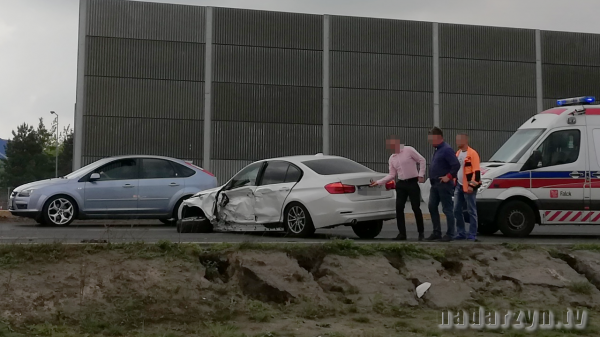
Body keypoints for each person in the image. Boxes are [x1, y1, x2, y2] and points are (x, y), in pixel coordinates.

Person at [370, 135, 426, 241]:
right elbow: (391, 174)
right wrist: (378, 182)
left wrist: (421, 174)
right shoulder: (392, 158)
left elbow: (422, 160)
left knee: (415, 207)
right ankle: (402, 233)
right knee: (399, 208)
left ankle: (421, 233)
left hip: (412, 182)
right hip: (401, 184)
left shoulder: (408, 150)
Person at [425, 127, 460, 242]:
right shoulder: (437, 150)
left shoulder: (446, 149)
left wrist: (448, 177)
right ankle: (437, 232)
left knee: (447, 209)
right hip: (435, 184)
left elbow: (456, 165)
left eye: (431, 139)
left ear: (438, 137)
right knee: (432, 206)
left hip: (443, 184)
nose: (430, 142)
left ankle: (450, 233)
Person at [454, 133, 481, 241]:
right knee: (456, 210)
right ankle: (461, 232)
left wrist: (472, 185)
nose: (457, 142)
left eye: (459, 140)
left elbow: (477, 172)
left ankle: (472, 234)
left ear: (465, 140)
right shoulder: (458, 153)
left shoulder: (472, 154)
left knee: (471, 210)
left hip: (468, 187)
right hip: (459, 186)